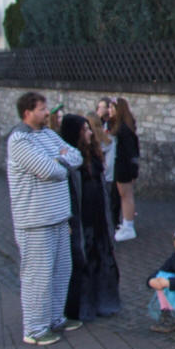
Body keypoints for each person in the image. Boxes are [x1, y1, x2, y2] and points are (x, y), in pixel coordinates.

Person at [7, 91, 84, 345]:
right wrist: (59, 159)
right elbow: (50, 171)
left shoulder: (48, 134)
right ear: (27, 112)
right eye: (41, 109)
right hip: (35, 221)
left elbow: (76, 157)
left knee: (61, 271)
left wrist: (58, 158)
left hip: (60, 217)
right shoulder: (19, 140)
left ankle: (55, 318)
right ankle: (35, 329)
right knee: (37, 276)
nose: (47, 113)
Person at [59, 114, 121, 322]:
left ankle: (102, 301)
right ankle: (82, 306)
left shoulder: (93, 157)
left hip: (98, 220)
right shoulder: (70, 163)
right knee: (84, 263)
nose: (89, 133)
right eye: (84, 130)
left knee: (102, 260)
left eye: (88, 129)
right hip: (81, 221)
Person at [110, 97, 140, 242]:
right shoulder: (120, 126)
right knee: (124, 195)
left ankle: (128, 225)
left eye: (112, 108)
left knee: (126, 195)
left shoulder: (124, 129)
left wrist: (134, 170)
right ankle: (126, 223)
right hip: (121, 164)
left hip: (124, 166)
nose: (110, 111)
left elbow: (132, 151)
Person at [95, 96, 121, 229]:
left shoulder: (113, 125)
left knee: (113, 197)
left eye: (104, 107)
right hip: (105, 168)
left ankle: (113, 221)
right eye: (99, 107)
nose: (101, 110)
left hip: (112, 167)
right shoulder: (97, 123)